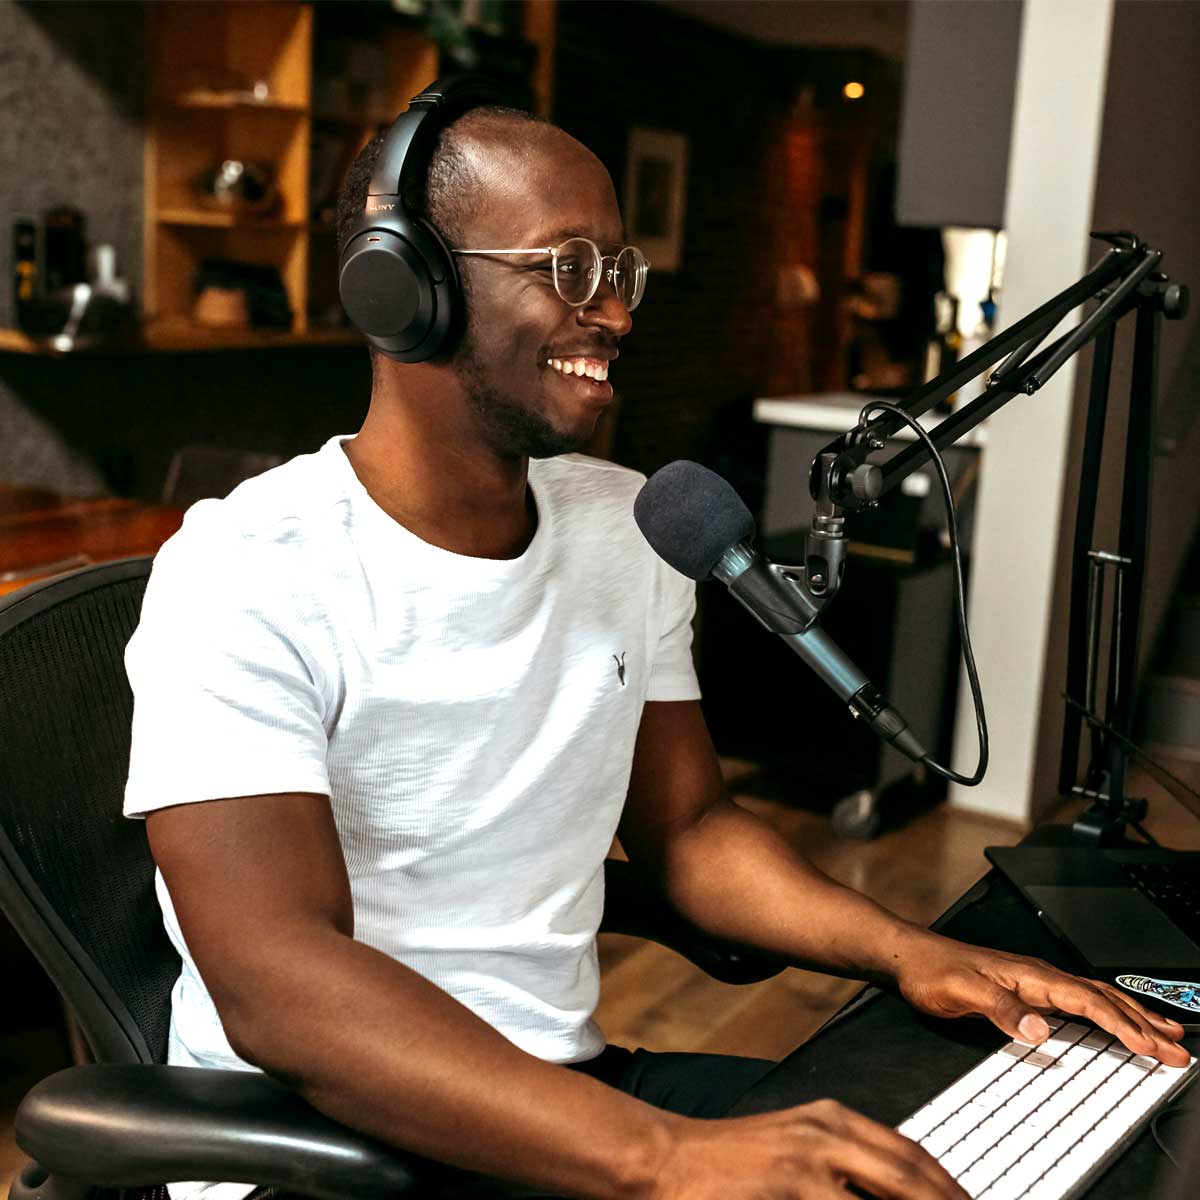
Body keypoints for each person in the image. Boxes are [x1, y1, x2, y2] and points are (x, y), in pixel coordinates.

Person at [124, 98, 1187, 1200]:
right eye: (569, 267)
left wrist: (911, 950)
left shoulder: (623, 528)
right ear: (406, 288)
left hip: (564, 1095)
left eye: (619, 271)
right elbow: (277, 988)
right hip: (330, 1146)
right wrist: (665, 1157)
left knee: (939, 1166)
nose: (615, 313)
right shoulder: (248, 572)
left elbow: (689, 832)